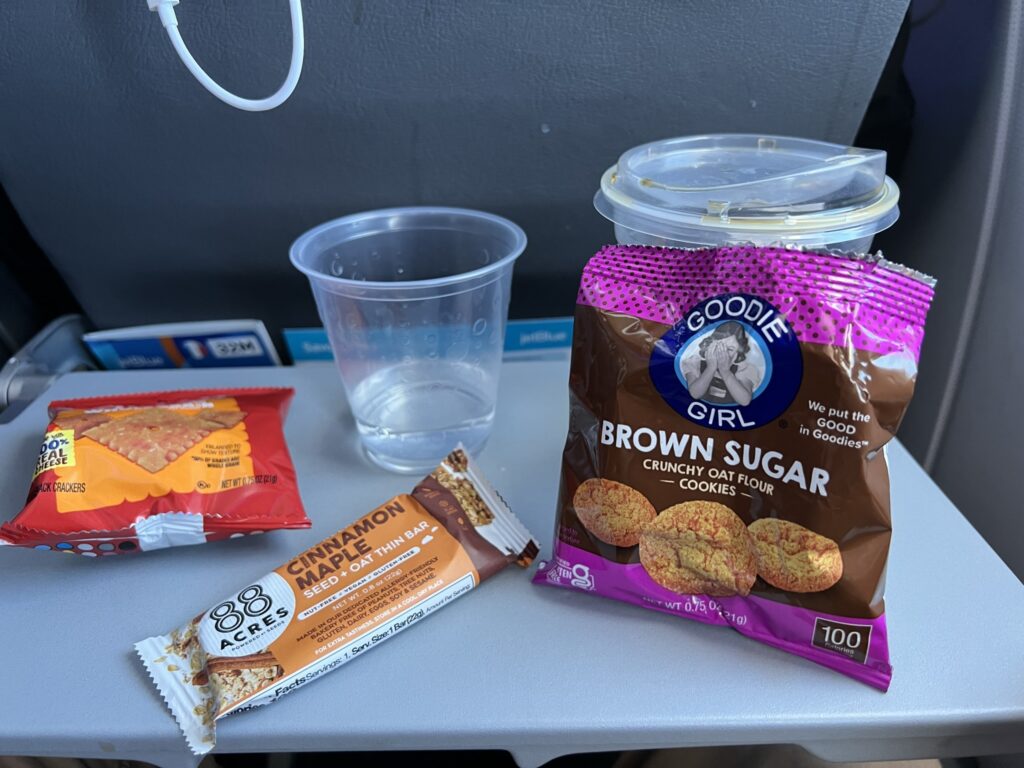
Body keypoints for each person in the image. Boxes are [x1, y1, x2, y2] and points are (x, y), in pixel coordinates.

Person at [680, 321, 760, 406]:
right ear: (709, 345)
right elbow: (695, 394)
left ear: (737, 354)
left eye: (730, 349)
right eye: (719, 346)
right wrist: (710, 368)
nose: (722, 353)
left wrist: (725, 372)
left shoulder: (745, 369)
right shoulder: (694, 362)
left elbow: (745, 401)